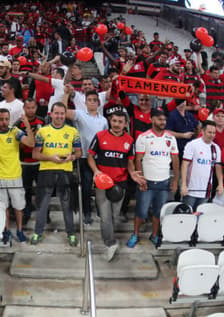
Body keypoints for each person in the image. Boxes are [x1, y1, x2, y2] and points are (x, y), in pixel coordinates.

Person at [88, 111, 144, 261]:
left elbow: (130, 163)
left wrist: (133, 174)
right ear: (110, 121)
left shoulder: (130, 140)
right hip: (102, 183)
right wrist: (96, 172)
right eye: (114, 121)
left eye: (120, 122)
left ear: (125, 124)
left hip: (120, 185)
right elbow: (90, 157)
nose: (117, 124)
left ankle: (108, 237)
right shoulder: (100, 136)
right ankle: (110, 244)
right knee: (105, 217)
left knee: (114, 216)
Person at [31, 102, 82, 246]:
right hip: (46, 171)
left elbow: (79, 153)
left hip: (65, 172)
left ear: (65, 114)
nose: (59, 116)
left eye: (62, 113)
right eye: (56, 113)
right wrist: (50, 158)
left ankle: (71, 234)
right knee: (42, 204)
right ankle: (37, 233)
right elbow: (35, 154)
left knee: (67, 205)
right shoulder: (42, 131)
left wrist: (70, 157)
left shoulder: (73, 131)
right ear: (51, 114)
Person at [127, 109, 179, 248]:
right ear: (152, 119)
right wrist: (141, 179)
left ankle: (154, 235)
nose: (163, 122)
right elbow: (138, 159)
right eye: (160, 119)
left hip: (164, 182)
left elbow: (175, 160)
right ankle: (135, 234)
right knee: (141, 211)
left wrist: (175, 181)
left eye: (164, 120)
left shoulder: (170, 138)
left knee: (158, 211)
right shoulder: (143, 137)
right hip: (147, 182)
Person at [0, 108, 35, 243]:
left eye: (6, 119)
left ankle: (19, 230)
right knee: (3, 207)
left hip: (15, 176)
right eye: (1, 119)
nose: (4, 122)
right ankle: (6, 230)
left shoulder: (15, 131)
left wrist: (27, 125)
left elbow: (31, 143)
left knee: (18, 207)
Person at [62, 85, 108, 225]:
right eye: (90, 100)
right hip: (84, 157)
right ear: (86, 102)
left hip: (99, 157)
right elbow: (63, 111)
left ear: (99, 103)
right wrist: (66, 94)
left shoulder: (104, 120)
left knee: (102, 186)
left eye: (95, 100)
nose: (93, 102)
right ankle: (87, 212)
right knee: (86, 186)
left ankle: (101, 210)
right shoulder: (80, 114)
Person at [180, 120, 224, 210]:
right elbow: (185, 165)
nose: (212, 135)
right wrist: (183, 184)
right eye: (209, 132)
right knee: (186, 216)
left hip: (206, 190)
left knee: (200, 216)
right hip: (190, 189)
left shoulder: (216, 148)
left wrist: (220, 184)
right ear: (202, 131)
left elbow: (218, 167)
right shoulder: (192, 145)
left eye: (214, 133)